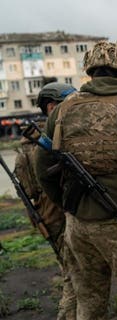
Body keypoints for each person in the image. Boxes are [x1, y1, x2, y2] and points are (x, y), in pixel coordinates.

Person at [34, 41, 117, 319]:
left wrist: (66, 204)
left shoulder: (64, 108)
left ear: (90, 69)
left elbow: (43, 166)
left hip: (77, 224)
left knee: (88, 304)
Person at [14, 82, 76, 319]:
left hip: (46, 211)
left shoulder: (31, 144)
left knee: (70, 267)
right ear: (52, 107)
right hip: (55, 209)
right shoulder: (47, 141)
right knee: (73, 271)